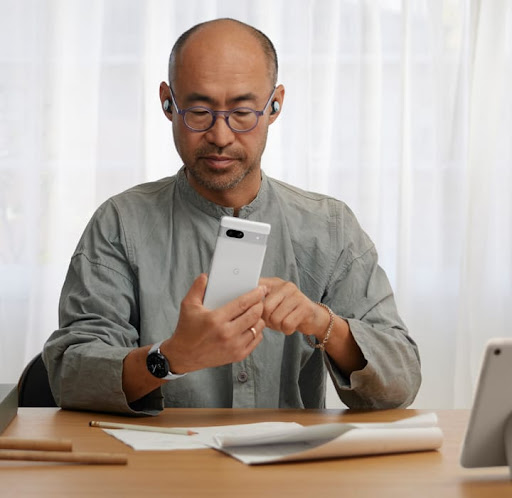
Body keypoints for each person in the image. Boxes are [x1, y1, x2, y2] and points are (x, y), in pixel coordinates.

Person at [43, 18, 421, 415]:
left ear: (274, 105)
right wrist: (170, 358)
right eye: (199, 111)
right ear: (167, 103)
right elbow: (70, 375)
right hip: (159, 472)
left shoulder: (330, 228)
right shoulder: (120, 223)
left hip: (289, 472)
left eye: (242, 112)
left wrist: (321, 323)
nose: (221, 136)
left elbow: (402, 380)